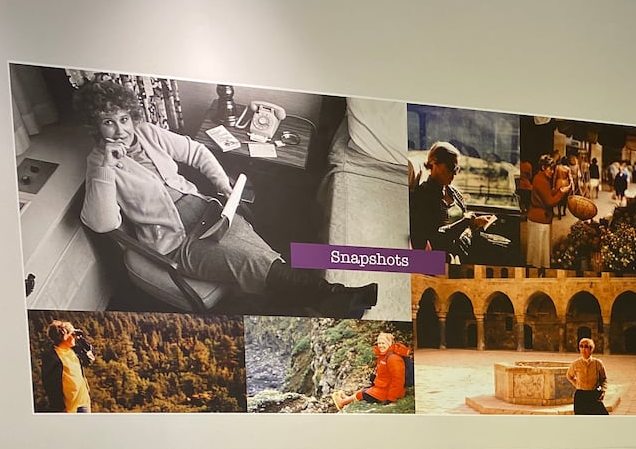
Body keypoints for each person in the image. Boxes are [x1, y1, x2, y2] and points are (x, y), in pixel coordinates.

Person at [74, 79, 373, 317]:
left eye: (124, 118)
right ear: (96, 126)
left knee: (262, 254)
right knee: (252, 261)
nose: (121, 129)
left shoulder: (148, 133)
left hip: (209, 211)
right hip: (178, 241)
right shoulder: (99, 164)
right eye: (109, 122)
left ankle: (325, 299)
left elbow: (198, 151)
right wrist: (106, 167)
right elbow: (101, 223)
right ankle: (334, 295)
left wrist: (222, 185)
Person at [410, 141, 513, 263]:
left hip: (468, 240)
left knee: (509, 246)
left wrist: (474, 223)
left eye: (456, 169)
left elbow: (464, 221)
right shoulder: (424, 196)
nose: (454, 173)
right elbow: (436, 238)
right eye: (450, 167)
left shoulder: (454, 192)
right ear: (434, 162)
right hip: (452, 251)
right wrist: (465, 222)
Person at [334, 332, 411, 409]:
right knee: (365, 390)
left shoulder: (393, 358)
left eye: (383, 343)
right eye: (379, 343)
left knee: (362, 394)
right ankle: (347, 399)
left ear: (389, 343)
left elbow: (398, 380)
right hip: (384, 388)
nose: (380, 346)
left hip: (388, 393)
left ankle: (342, 403)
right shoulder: (385, 355)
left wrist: (391, 399)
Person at [39, 320, 94, 412]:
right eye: (72, 334)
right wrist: (59, 406)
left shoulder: (74, 351)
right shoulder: (52, 356)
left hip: (83, 402)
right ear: (64, 336)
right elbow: (50, 385)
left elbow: (89, 360)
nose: (75, 337)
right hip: (68, 407)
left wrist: (81, 340)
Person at [525, 154, 567, 268]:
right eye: (550, 168)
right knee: (539, 253)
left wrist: (558, 190)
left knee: (535, 252)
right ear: (543, 167)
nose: (552, 172)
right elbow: (549, 201)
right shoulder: (542, 181)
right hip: (540, 220)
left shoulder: (539, 178)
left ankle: (534, 269)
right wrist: (561, 193)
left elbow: (546, 194)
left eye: (553, 169)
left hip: (535, 217)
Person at [568, 337, 609, 415]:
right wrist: (577, 384)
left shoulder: (597, 363)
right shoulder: (576, 364)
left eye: (586, 346)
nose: (583, 349)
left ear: (591, 349)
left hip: (593, 394)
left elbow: (603, 379)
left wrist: (603, 391)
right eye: (581, 346)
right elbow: (569, 376)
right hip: (581, 396)